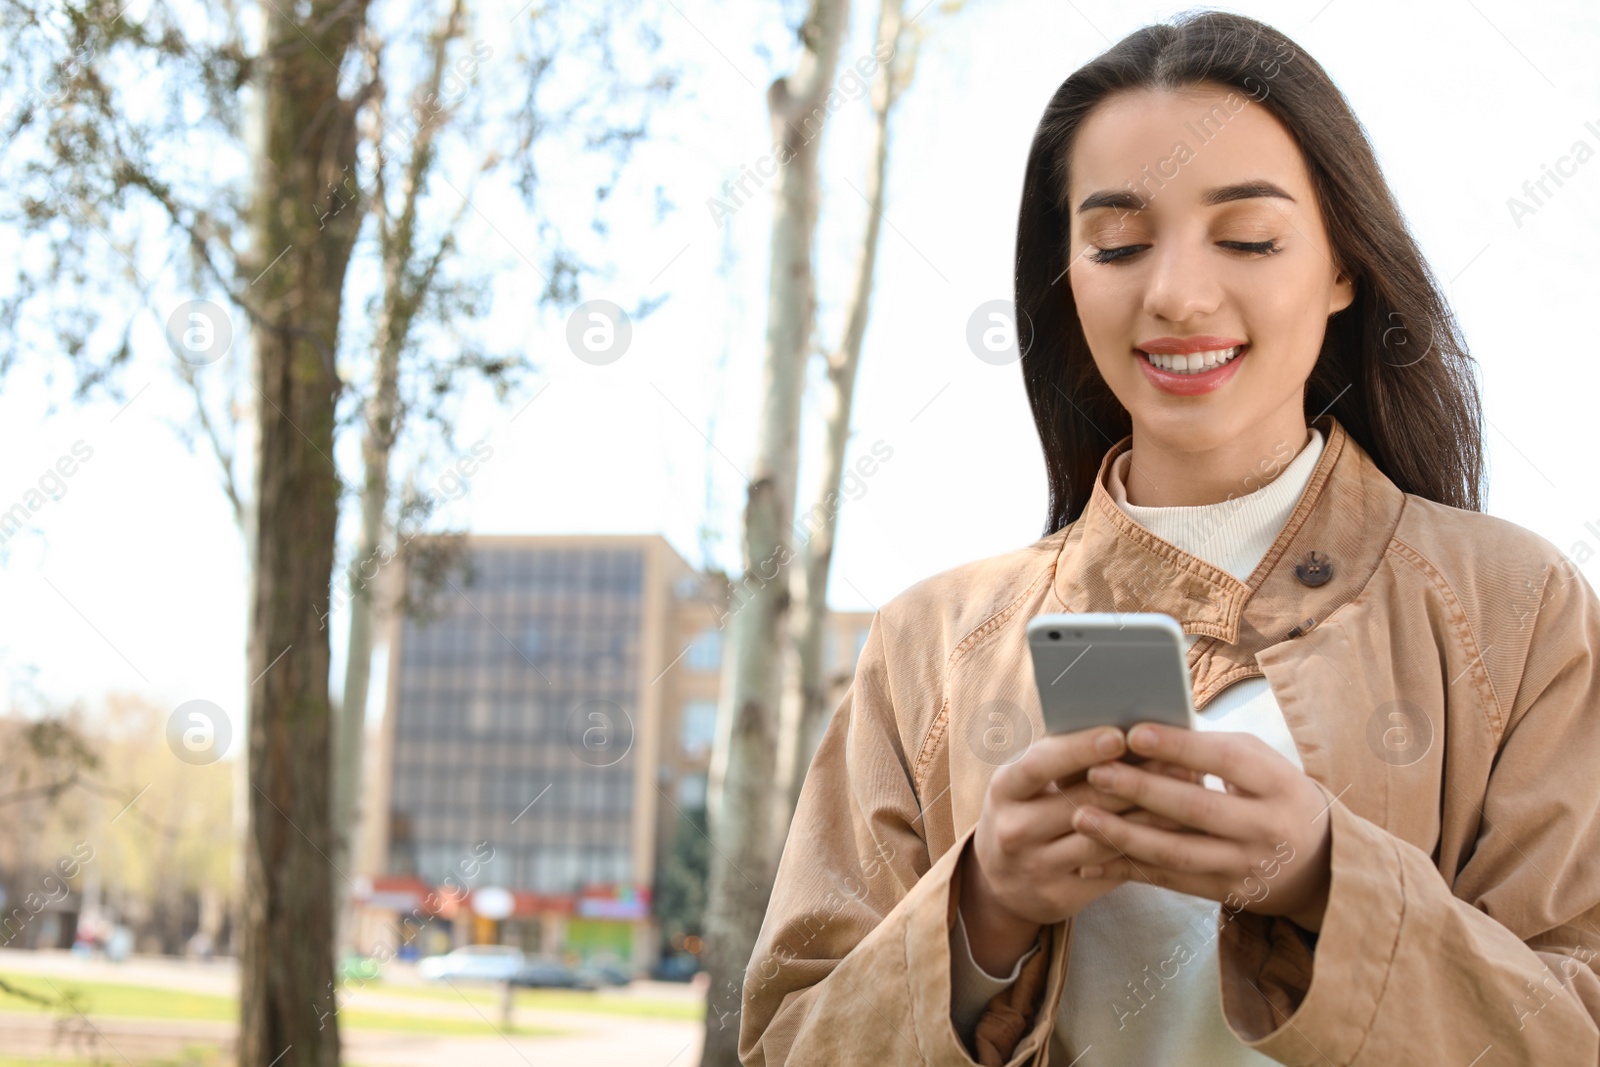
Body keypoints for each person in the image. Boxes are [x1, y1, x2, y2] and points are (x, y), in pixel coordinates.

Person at [738, 10, 1600, 1066]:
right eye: (1117, 242)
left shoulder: (1514, 606)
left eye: (1247, 237)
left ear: (1342, 267)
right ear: (1067, 278)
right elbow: (789, 1040)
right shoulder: (929, 642)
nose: (1178, 294)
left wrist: (1327, 875)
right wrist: (981, 912)